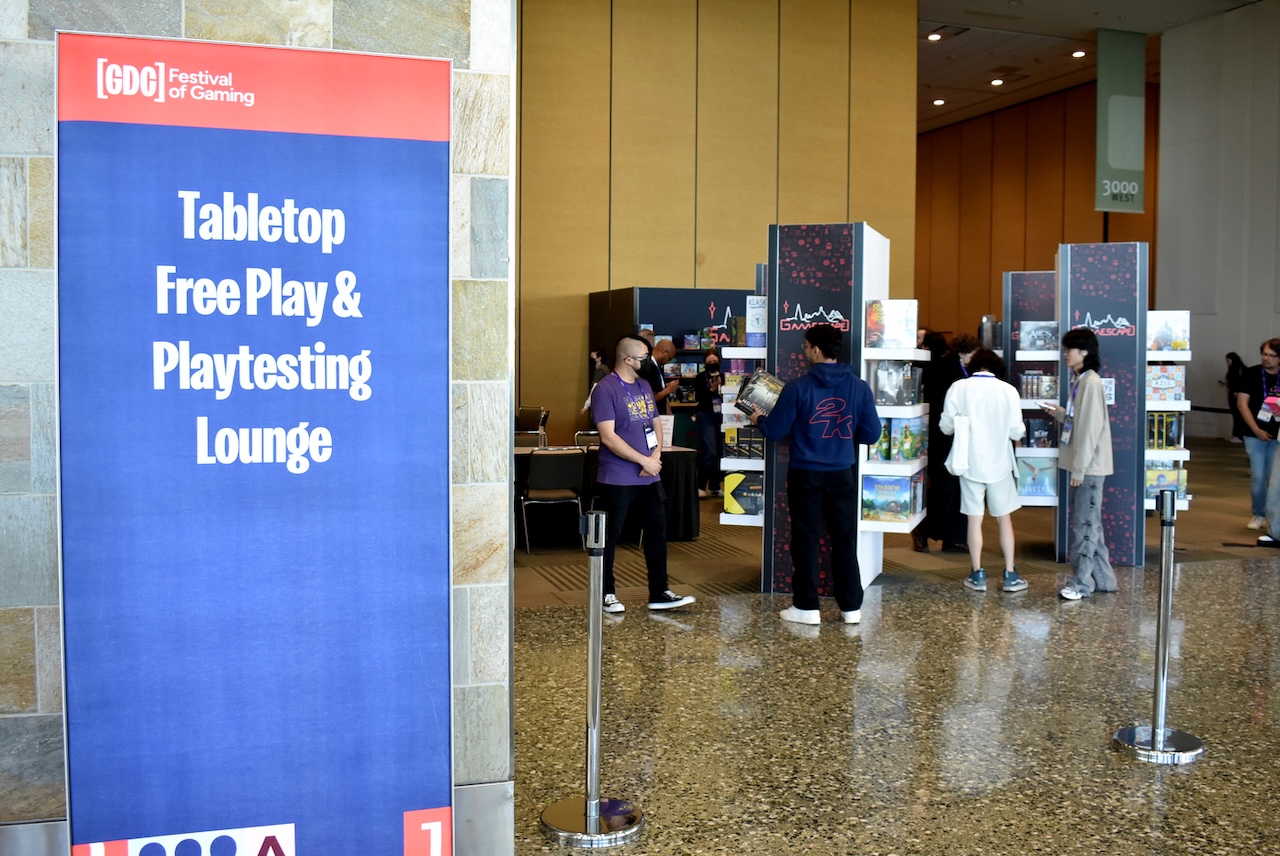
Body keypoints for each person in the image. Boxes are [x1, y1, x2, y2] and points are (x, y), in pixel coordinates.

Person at [746, 324, 880, 626]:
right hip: (842, 474)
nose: (803, 351)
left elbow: (776, 430)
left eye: (805, 346)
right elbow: (871, 434)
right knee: (844, 540)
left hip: (805, 475)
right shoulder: (859, 387)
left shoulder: (797, 388)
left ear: (816, 350)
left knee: (806, 540)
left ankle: (806, 607)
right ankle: (851, 607)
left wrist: (758, 419)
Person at [590, 335, 697, 614]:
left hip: (649, 475)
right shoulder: (605, 389)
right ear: (628, 360)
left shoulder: (644, 386)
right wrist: (643, 460)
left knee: (657, 532)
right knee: (610, 537)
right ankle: (606, 593)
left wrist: (655, 456)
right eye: (643, 358)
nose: (649, 362)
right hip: (617, 477)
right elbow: (608, 437)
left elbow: (655, 422)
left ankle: (659, 591)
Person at [939, 349, 1028, 593]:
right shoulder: (1008, 390)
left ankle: (977, 574)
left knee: (974, 519)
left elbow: (946, 426)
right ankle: (1010, 574)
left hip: (969, 462)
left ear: (973, 365)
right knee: (1004, 518)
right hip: (1000, 462)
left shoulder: (959, 388)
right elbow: (1016, 431)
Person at [1042, 327, 1117, 600]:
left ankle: (1082, 584)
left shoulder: (1090, 382)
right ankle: (1104, 580)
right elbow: (1079, 421)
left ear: (1084, 352)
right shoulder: (1081, 380)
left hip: (1089, 467)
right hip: (1084, 464)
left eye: (1069, 349)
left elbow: (1090, 429)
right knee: (1091, 524)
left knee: (1084, 527)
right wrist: (1060, 414)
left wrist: (1080, 467)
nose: (1065, 354)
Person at [921, 333, 978, 553]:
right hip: (943, 435)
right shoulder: (944, 369)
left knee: (959, 488)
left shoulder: (963, 370)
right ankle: (926, 530)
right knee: (944, 487)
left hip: (958, 435)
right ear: (963, 352)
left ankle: (954, 537)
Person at [1234, 338, 1280, 529]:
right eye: (1264, 354)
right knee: (1258, 476)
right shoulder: (1251, 374)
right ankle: (1259, 513)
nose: (1266, 358)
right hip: (1254, 433)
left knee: (1274, 478)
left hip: (1277, 434)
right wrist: (1257, 430)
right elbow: (1241, 404)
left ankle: (1274, 517)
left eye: (1271, 355)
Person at [693, 350, 724, 497]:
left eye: (715, 361)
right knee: (710, 451)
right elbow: (700, 398)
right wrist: (712, 389)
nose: (712, 364)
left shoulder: (725, 377)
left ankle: (714, 486)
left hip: (722, 416)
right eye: (709, 362)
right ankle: (700, 485)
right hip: (706, 415)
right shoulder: (700, 378)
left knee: (720, 452)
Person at [1221, 351, 1247, 442]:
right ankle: (1235, 434)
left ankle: (1239, 435)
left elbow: (1243, 382)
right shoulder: (1233, 369)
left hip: (1237, 395)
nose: (1227, 363)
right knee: (1235, 415)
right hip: (1232, 394)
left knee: (1238, 416)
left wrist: (1238, 391)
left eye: (1228, 361)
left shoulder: (1240, 369)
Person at [580, 347, 610, 415]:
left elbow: (595, 388)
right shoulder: (604, 368)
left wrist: (585, 407)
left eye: (592, 356)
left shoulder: (600, 371)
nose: (591, 358)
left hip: (600, 404)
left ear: (599, 358)